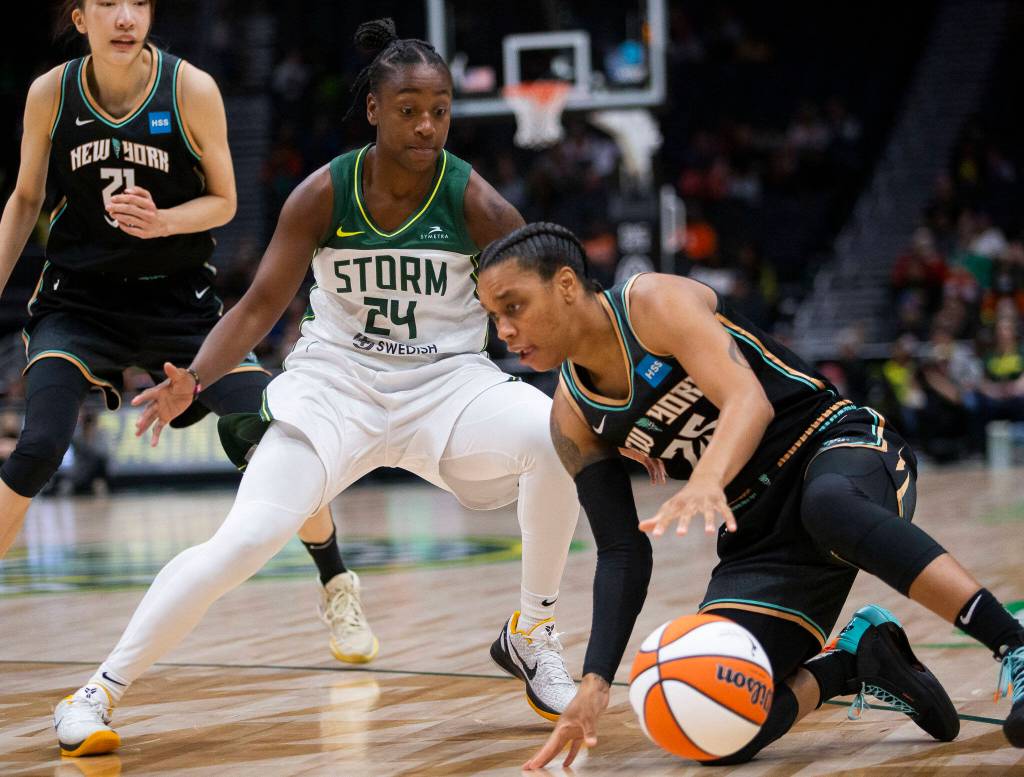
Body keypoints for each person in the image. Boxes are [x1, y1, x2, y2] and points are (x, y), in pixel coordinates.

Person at [52, 18, 582, 757]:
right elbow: (260, 304)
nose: (427, 125)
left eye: (439, 111)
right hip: (338, 385)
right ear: (374, 108)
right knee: (244, 540)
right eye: (408, 110)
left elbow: (542, 314)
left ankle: (533, 630)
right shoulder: (321, 195)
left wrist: (597, 389)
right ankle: (98, 689)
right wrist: (194, 380)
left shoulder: (482, 207)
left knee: (552, 434)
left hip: (446, 385)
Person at [473, 222, 1024, 768]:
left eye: (513, 307)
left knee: (828, 506)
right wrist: (593, 682)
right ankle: (855, 660)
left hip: (836, 447)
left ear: (567, 285)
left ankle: (1013, 645)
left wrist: (708, 479)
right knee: (714, 724)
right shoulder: (571, 417)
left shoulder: (652, 302)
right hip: (759, 533)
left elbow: (748, 401)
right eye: (494, 317)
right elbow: (621, 552)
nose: (505, 332)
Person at [0, 0, 367, 665]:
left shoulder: (189, 87)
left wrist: (162, 221)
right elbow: (26, 200)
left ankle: (336, 578)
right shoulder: (50, 95)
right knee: (38, 447)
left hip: (181, 308)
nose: (124, 17)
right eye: (107, 4)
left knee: (273, 434)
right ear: (79, 17)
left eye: (137, 3)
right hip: (79, 303)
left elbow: (224, 199)